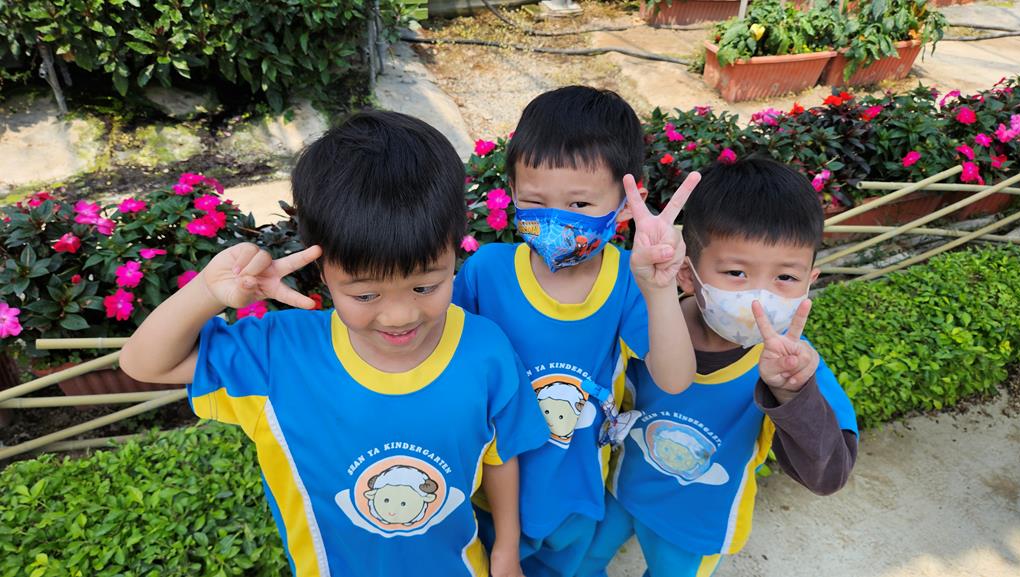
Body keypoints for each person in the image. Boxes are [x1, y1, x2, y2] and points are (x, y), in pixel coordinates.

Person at [120, 110, 549, 577]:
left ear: (454, 250)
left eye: (425, 286)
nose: (400, 315)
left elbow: (501, 456)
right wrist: (208, 290)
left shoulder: (485, 351)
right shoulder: (277, 357)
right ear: (323, 271)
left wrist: (505, 550)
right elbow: (146, 364)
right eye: (365, 295)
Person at [453, 86, 698, 577]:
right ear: (512, 191)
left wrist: (659, 289)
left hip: (574, 495)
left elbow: (674, 379)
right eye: (535, 200)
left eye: (581, 203)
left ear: (626, 203)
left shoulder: (628, 280)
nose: (557, 220)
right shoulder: (485, 272)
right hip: (486, 492)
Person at [579, 156, 859, 577]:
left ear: (810, 280)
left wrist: (791, 395)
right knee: (580, 564)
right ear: (687, 273)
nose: (758, 299)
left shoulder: (794, 369)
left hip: (698, 528)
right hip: (620, 492)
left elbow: (829, 474)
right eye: (736, 272)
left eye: (785, 278)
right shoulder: (645, 324)